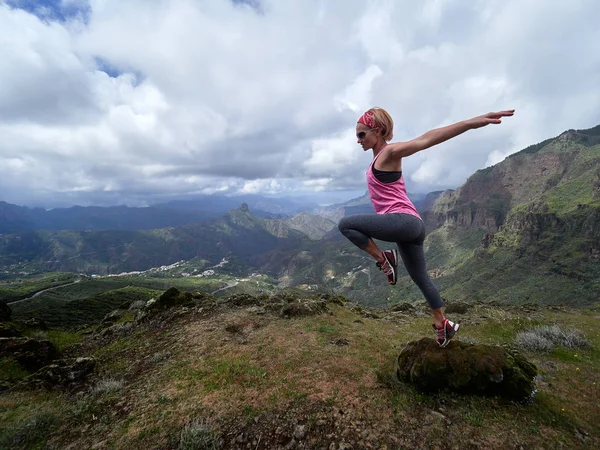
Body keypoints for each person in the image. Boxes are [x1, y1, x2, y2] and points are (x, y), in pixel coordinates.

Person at [338, 107, 515, 347]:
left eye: (361, 135)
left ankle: (384, 259)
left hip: (403, 221)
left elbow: (427, 139)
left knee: (345, 224)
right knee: (421, 278)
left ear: (377, 131)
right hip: (412, 226)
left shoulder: (390, 152)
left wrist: (472, 123)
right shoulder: (378, 158)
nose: (357, 140)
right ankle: (444, 325)